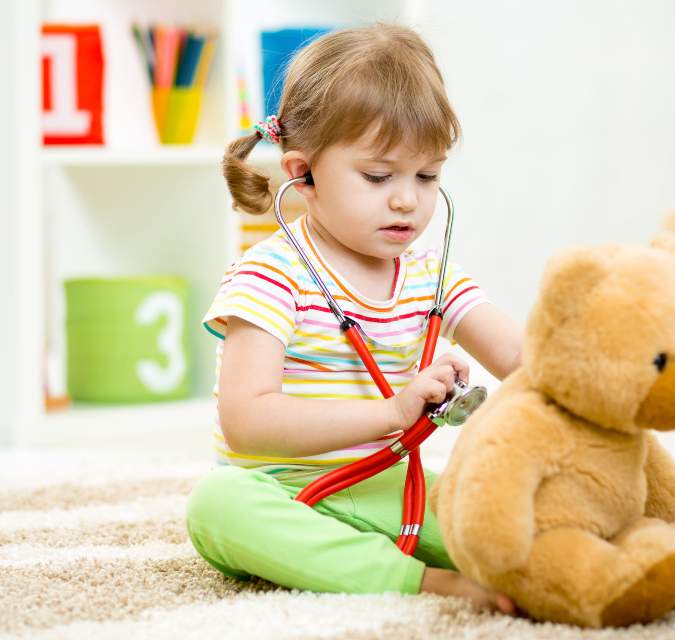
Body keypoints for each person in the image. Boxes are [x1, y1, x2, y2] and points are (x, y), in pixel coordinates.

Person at [185, 23, 522, 613]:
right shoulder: (268, 276)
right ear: (302, 174)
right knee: (215, 506)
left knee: (512, 520)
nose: (407, 200)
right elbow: (246, 421)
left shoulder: (431, 273)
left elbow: (524, 363)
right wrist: (390, 413)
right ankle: (418, 582)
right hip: (276, 489)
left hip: (387, 487)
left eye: (427, 175)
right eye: (378, 176)